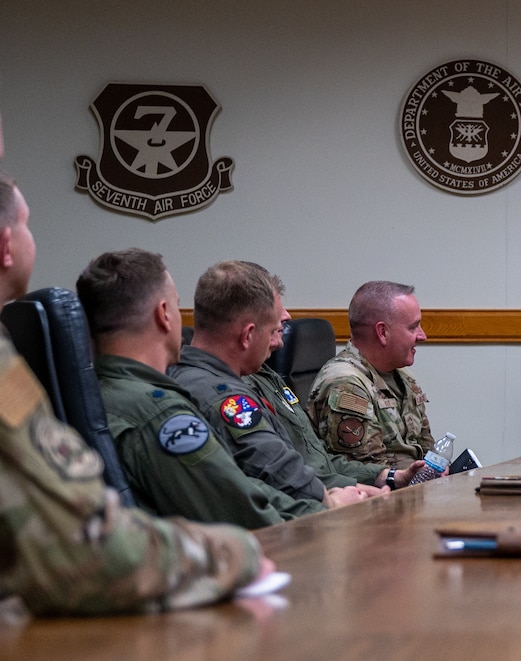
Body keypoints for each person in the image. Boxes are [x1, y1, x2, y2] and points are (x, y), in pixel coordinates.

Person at [0, 160, 263, 612]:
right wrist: (239, 556)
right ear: (6, 245)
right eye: (27, 224)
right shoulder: (156, 411)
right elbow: (83, 549)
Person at [80, 249, 329, 530]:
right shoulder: (163, 414)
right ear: (164, 314)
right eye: (176, 305)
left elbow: (236, 485)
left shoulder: (93, 394)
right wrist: (327, 511)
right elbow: (245, 512)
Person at [170, 261, 390, 504]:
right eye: (273, 331)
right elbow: (277, 470)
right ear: (248, 335)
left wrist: (371, 479)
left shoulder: (205, 378)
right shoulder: (222, 395)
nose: (279, 343)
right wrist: (332, 500)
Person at [309, 280, 434, 468]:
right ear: (382, 332)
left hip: (417, 487)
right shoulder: (346, 385)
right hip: (382, 494)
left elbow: (424, 446)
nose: (422, 336)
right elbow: (369, 473)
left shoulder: (403, 376)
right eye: (413, 327)